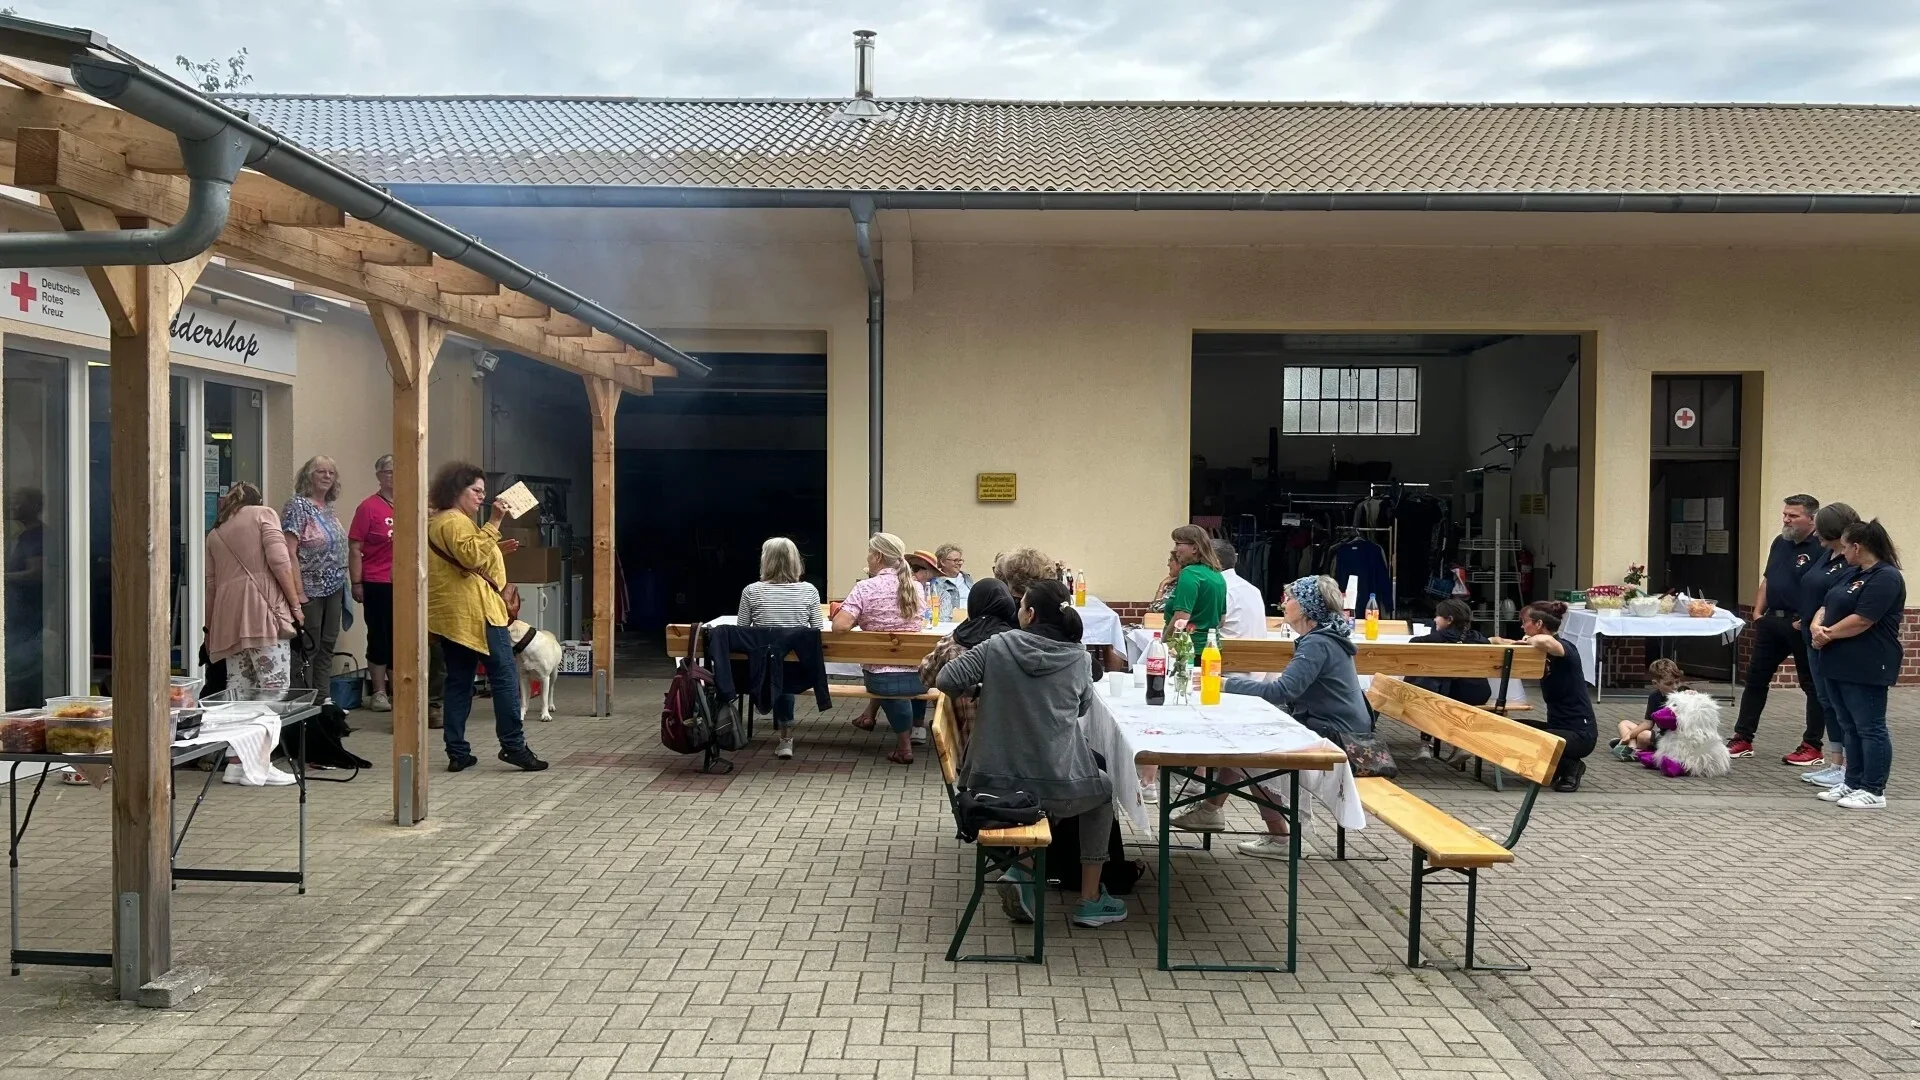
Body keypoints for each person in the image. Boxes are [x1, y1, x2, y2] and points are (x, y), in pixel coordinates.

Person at [935, 579, 1128, 929]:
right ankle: (1090, 899)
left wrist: (984, 689)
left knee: (1039, 788)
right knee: (1100, 790)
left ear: (1030, 614)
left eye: (1021, 606)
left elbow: (947, 679)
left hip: (989, 783)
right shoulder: (1079, 658)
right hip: (1052, 786)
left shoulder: (998, 645)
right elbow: (1082, 708)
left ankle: (1022, 873)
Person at [1171, 575, 1372, 858]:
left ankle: (1279, 836)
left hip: (1338, 737)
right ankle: (1211, 809)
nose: (1284, 603)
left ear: (1307, 607)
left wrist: (1224, 683)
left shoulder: (1318, 643)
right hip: (1335, 727)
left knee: (1255, 752)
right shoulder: (1322, 638)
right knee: (1243, 740)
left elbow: (1282, 691)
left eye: (1290, 598)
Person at [426, 462, 547, 773]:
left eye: (483, 491)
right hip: (478, 614)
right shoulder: (454, 521)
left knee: (458, 682)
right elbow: (470, 556)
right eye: (476, 490)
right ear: (457, 490)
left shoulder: (441, 521)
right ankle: (514, 746)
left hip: (454, 618)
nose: (482, 496)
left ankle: (457, 752)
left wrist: (495, 548)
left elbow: (465, 557)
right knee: (505, 678)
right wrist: (494, 521)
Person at [1809, 519, 1903, 810]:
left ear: (1858, 547)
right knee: (1848, 724)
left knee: (1869, 726)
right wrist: (1816, 626)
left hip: (1867, 663)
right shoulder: (1852, 573)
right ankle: (1852, 781)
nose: (1842, 551)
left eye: (1845, 546)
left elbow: (1863, 619)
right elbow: (1826, 604)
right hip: (1837, 661)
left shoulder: (1886, 577)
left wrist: (1826, 635)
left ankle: (1873, 789)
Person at [1730, 494, 1824, 761]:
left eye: (1793, 516)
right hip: (1771, 622)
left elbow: (1825, 588)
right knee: (1755, 680)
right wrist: (1758, 613)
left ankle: (1812, 745)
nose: (1786, 520)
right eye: (1785, 514)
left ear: (1812, 519)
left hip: (1800, 624)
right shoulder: (1780, 542)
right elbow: (1768, 579)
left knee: (1811, 686)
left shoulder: (1822, 547)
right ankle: (1743, 738)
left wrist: (1806, 620)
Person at [832, 533, 928, 764]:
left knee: (886, 677)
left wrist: (858, 619)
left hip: (881, 677)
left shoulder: (865, 588)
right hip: (918, 675)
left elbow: (839, 626)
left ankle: (904, 747)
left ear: (878, 556)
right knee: (896, 680)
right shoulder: (916, 587)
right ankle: (900, 730)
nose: (867, 557)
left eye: (869, 553)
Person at [204, 483, 305, 693]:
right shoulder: (263, 514)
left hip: (227, 617)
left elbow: (211, 585)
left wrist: (209, 628)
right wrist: (295, 605)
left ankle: (242, 716)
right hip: (261, 610)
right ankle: (263, 717)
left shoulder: (215, 533)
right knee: (274, 685)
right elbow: (280, 562)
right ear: (258, 500)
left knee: (239, 687)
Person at [1493, 602, 1597, 793]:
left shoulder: (1566, 649)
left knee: (1525, 738)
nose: (1522, 626)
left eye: (1525, 621)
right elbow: (1509, 642)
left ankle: (1570, 766)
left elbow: (1548, 642)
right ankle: (1559, 764)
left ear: (1539, 624)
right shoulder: (1540, 649)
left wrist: (1530, 640)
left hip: (1580, 735)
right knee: (1508, 730)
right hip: (1557, 727)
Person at [737, 537, 823, 761]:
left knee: (774, 662)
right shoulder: (809, 591)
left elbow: (742, 629)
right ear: (795, 561)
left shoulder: (751, 591)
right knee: (784, 667)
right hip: (797, 670)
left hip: (760, 667)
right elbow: (817, 630)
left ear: (766, 561)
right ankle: (786, 739)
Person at [1797, 502, 1860, 788]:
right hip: (1812, 638)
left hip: (1832, 639)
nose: (1815, 534)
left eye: (1820, 529)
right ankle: (1835, 762)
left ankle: (1848, 766)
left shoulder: (1850, 561)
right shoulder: (1826, 554)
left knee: (1840, 704)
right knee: (1826, 702)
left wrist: (1820, 624)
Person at [919, 577, 1021, 748]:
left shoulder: (954, 641)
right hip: (1012, 742)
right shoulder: (1020, 643)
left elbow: (924, 677)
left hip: (967, 743)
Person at [282, 456, 349, 698]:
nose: (327, 476)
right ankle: (303, 701)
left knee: (328, 644)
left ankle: (323, 698)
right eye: (321, 471)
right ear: (308, 476)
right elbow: (289, 552)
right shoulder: (297, 506)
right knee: (308, 646)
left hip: (335, 587)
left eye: (331, 473)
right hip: (309, 588)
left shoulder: (328, 508)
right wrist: (298, 594)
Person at [348, 454, 397, 712]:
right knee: (380, 636)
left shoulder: (411, 505)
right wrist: (357, 582)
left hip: (405, 583)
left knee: (401, 637)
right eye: (388, 471)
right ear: (379, 476)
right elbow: (355, 547)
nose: (393, 476)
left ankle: (400, 690)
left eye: (398, 471)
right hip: (377, 581)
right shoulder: (368, 507)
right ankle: (379, 692)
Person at [4, 487, 47, 709]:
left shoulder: (36, 536)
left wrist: (4, 577)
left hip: (27, 618)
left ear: (34, 506)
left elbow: (37, 573)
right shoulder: (23, 536)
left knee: (21, 672)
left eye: (17, 501)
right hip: (18, 617)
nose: (12, 505)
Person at [1408, 599, 1491, 706]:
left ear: (1449, 620)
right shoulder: (1478, 638)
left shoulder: (1439, 638)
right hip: (1480, 695)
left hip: (1454, 696)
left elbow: (1412, 643)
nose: (1434, 619)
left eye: (1437, 616)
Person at [1612, 658, 1686, 761]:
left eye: (1677, 682)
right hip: (1661, 735)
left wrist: (1693, 695)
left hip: (1676, 738)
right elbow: (1648, 723)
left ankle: (1633, 748)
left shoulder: (1683, 693)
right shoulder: (1654, 697)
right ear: (1655, 683)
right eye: (1669, 684)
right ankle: (1631, 747)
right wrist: (1629, 735)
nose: (1674, 687)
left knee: (1643, 736)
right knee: (1624, 724)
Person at [1167, 524, 1227, 635]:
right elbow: (1221, 621)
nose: (1175, 550)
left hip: (1188, 643)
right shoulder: (1217, 574)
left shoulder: (1190, 573)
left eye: (1178, 544)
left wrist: (1164, 641)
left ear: (1194, 548)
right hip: (1212, 642)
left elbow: (1181, 618)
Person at [1214, 540, 1270, 640]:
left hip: (1229, 648)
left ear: (1215, 563)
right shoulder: (1253, 589)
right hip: (1257, 648)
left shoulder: (1219, 590)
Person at [930, 544, 972, 619]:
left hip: (970, 620)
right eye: (955, 560)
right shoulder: (935, 582)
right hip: (947, 621)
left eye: (960, 560)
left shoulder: (967, 578)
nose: (959, 563)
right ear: (942, 562)